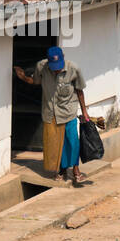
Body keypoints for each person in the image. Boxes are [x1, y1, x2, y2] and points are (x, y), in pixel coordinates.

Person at [14, 46, 91, 186]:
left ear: (63, 57)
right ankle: (61, 170)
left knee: (72, 142)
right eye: (54, 67)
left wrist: (84, 112)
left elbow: (79, 91)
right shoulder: (41, 67)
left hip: (68, 112)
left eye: (58, 67)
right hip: (50, 112)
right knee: (56, 145)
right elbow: (35, 81)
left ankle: (76, 170)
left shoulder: (74, 69)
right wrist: (24, 77)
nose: (56, 70)